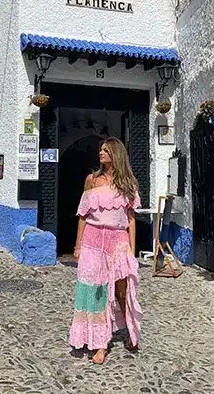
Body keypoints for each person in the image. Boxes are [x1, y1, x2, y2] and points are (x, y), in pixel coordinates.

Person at [68, 137, 143, 364]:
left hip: (117, 241)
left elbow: (130, 220)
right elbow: (82, 216)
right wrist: (78, 245)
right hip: (92, 239)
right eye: (100, 150)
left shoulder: (128, 184)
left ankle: (132, 331)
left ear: (116, 154)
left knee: (121, 291)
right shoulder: (92, 180)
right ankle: (100, 344)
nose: (100, 153)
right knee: (95, 292)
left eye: (105, 150)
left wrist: (131, 249)